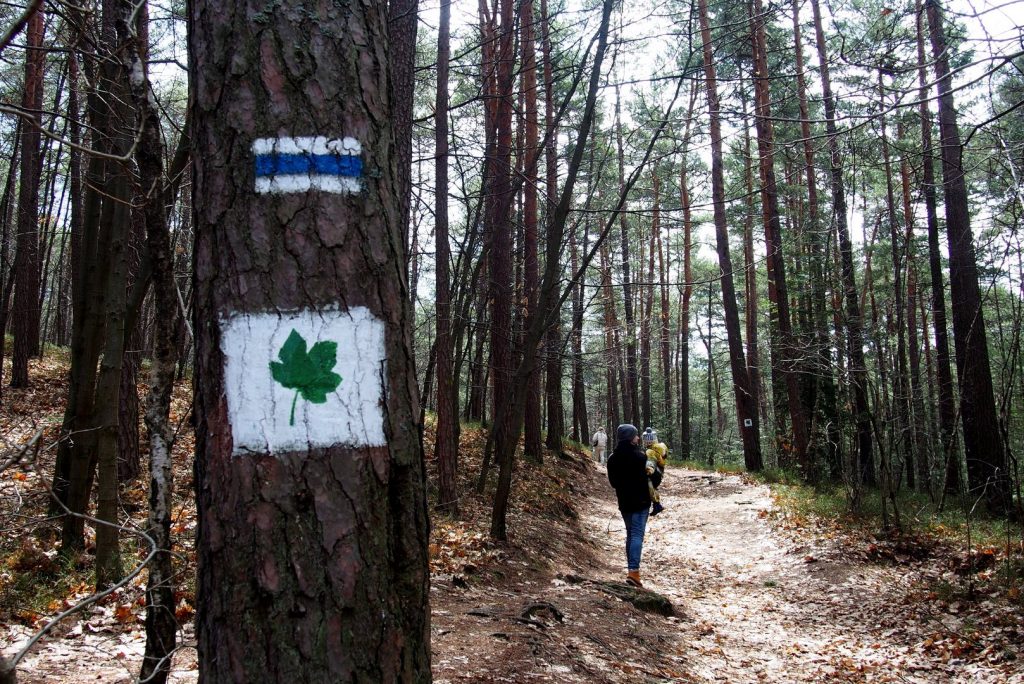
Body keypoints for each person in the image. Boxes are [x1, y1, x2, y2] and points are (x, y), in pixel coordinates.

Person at [607, 423, 661, 588]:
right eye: (636, 435)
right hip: (641, 501)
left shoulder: (612, 458)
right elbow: (655, 479)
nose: (639, 438)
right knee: (637, 535)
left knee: (631, 534)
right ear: (631, 438)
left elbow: (613, 483)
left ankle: (632, 571)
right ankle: (633, 572)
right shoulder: (641, 457)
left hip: (624, 502)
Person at [645, 441, 668, 515]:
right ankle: (657, 505)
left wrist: (649, 471)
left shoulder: (650, 451)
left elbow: (650, 463)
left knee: (650, 485)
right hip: (660, 470)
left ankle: (657, 505)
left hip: (654, 472)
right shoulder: (661, 447)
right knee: (653, 487)